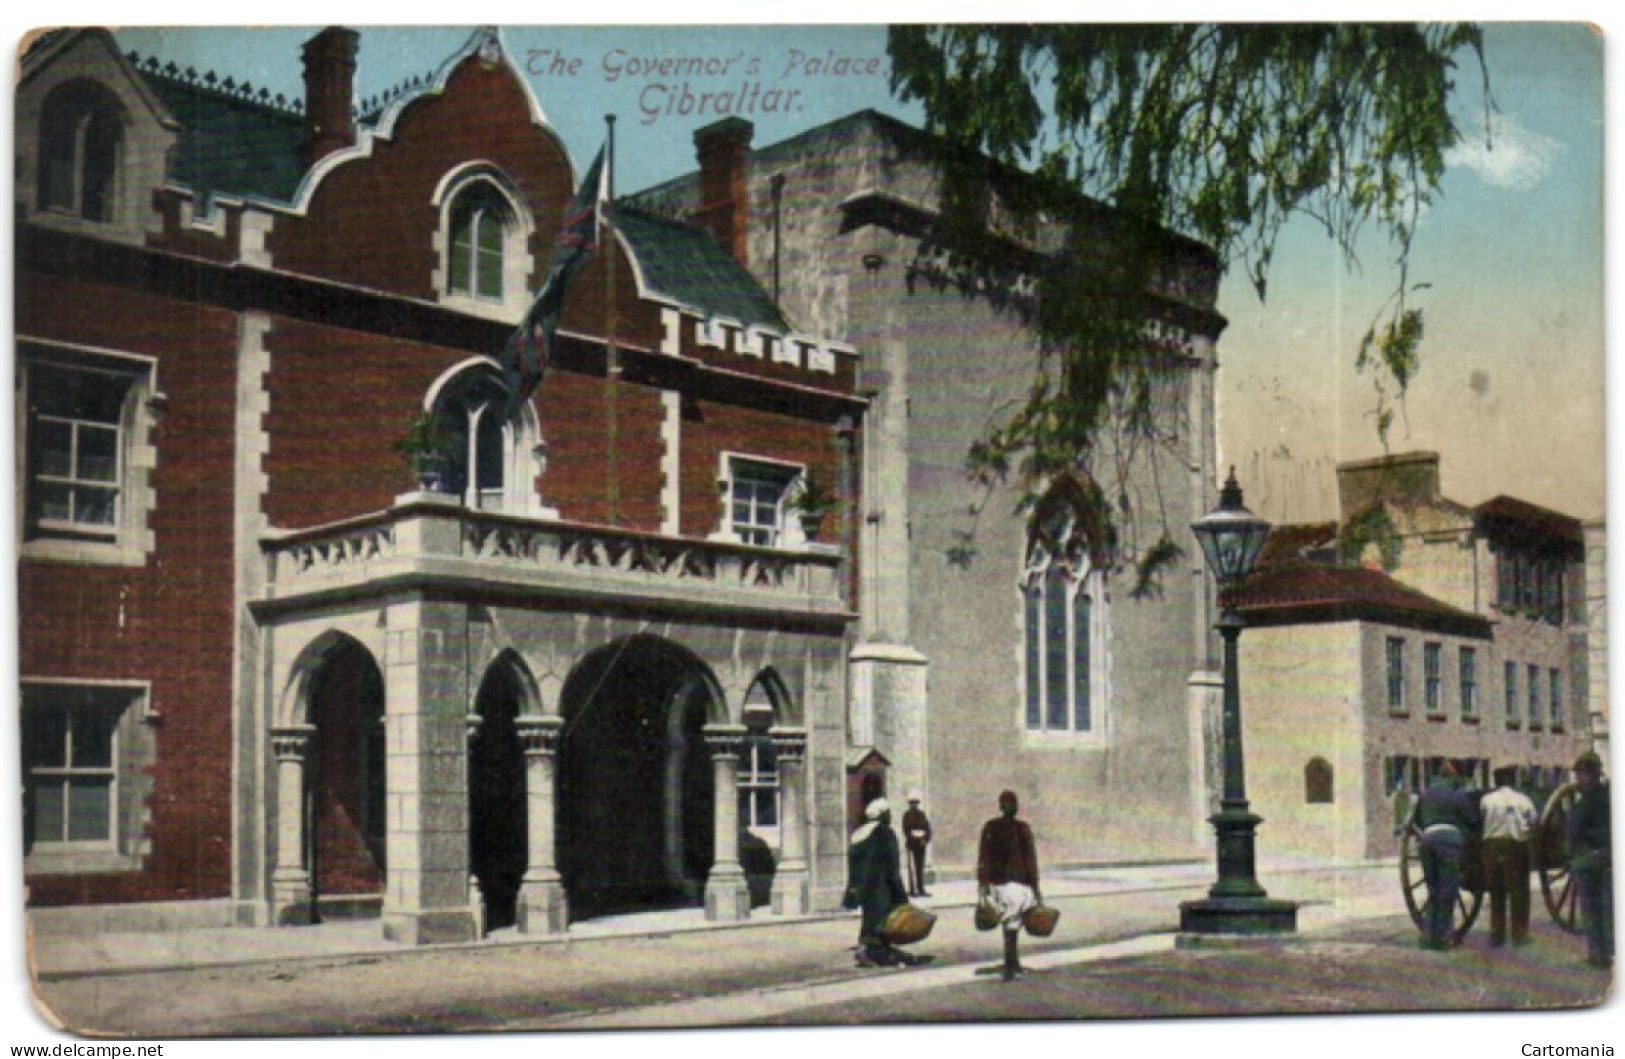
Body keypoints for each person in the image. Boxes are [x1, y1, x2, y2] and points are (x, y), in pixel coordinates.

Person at [1413, 763, 1480, 951]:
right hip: (1449, 842)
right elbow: (1472, 820)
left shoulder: (1425, 795)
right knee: (1447, 891)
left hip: (1427, 840)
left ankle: (1428, 936)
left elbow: (1417, 820)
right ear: (1453, 777)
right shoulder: (1458, 796)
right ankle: (1443, 937)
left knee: (1433, 891)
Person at [844, 798, 918, 968]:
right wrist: (900, 893)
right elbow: (892, 865)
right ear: (884, 814)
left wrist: (853, 890)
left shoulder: (858, 834)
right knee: (883, 921)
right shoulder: (885, 833)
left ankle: (869, 949)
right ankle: (872, 951)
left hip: (863, 887)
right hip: (881, 886)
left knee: (869, 918)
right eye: (888, 813)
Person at [977, 790, 1041, 980]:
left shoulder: (990, 827)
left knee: (1009, 923)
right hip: (1018, 883)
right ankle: (1011, 964)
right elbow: (1030, 859)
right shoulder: (1023, 829)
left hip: (999, 883)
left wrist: (983, 883)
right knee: (1013, 924)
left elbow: (984, 857)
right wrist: (1036, 887)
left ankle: (1011, 963)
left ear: (1000, 806)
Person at [1479, 765, 1539, 947]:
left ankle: (1497, 934)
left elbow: (1482, 819)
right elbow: (1534, 822)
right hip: (1516, 847)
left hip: (1492, 847)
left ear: (1496, 781)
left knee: (1496, 893)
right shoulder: (1524, 800)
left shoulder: (1487, 800)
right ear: (1513, 780)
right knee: (1519, 892)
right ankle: (1519, 934)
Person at [1567, 751, 1612, 970]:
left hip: (1589, 860)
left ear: (1591, 774)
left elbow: (1573, 833)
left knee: (1592, 910)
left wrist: (1571, 855)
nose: (1579, 778)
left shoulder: (1584, 802)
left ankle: (1597, 952)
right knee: (1608, 907)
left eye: (1581, 773)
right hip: (1609, 857)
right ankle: (1610, 951)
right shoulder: (1610, 795)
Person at [902, 791, 933, 897]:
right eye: (912, 803)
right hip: (911, 845)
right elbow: (906, 830)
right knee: (912, 868)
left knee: (920, 867)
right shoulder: (907, 815)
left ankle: (921, 888)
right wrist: (913, 838)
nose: (914, 805)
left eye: (915, 803)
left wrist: (925, 839)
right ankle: (913, 889)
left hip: (921, 845)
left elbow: (927, 829)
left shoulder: (922, 815)